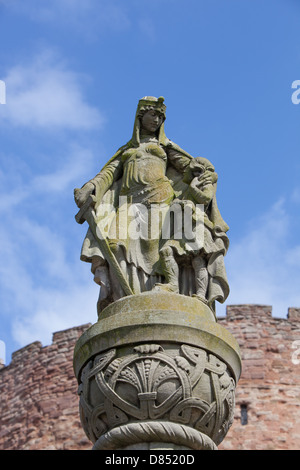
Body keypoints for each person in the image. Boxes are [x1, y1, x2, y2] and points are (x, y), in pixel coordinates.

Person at [74, 96, 229, 315]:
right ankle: (126, 301)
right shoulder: (127, 150)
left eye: (161, 117)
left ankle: (169, 293)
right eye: (153, 115)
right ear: (141, 116)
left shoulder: (165, 147)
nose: (157, 120)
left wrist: (204, 176)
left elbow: (195, 167)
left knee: (163, 251)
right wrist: (90, 187)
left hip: (162, 202)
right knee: (116, 246)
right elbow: (107, 175)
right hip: (130, 202)